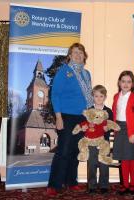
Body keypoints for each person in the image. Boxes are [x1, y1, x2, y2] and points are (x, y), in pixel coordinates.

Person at [47, 43, 93, 196]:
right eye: (74, 52)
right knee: (64, 151)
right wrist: (58, 117)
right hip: (66, 117)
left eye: (80, 52)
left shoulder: (87, 74)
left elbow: (89, 97)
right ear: (69, 56)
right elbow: (55, 95)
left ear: (84, 56)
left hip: (82, 117)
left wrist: (90, 118)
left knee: (76, 150)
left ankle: (71, 182)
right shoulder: (64, 71)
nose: (78, 55)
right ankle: (54, 185)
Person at [112, 70, 134, 195]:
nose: (126, 84)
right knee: (124, 159)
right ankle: (125, 185)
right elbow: (115, 113)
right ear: (119, 83)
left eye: (129, 82)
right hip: (119, 129)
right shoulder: (116, 96)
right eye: (123, 81)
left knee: (132, 158)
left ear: (132, 84)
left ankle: (132, 184)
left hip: (131, 130)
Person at [87, 85, 112, 194]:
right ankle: (91, 185)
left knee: (104, 164)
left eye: (101, 96)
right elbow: (85, 125)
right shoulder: (89, 110)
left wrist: (108, 128)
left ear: (105, 97)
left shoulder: (108, 111)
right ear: (93, 97)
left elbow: (111, 124)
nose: (98, 98)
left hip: (104, 142)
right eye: (96, 96)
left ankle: (104, 185)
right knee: (91, 164)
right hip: (91, 142)